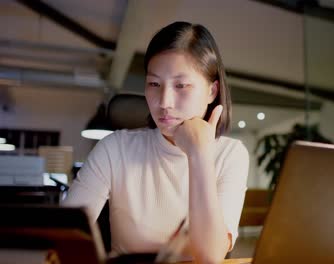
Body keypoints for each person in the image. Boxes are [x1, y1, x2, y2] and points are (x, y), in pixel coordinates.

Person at [62, 21, 249, 264]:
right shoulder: (114, 148)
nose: (164, 102)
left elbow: (210, 257)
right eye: (154, 84)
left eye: (181, 85)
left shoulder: (230, 155)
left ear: (212, 91)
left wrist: (199, 154)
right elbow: (65, 237)